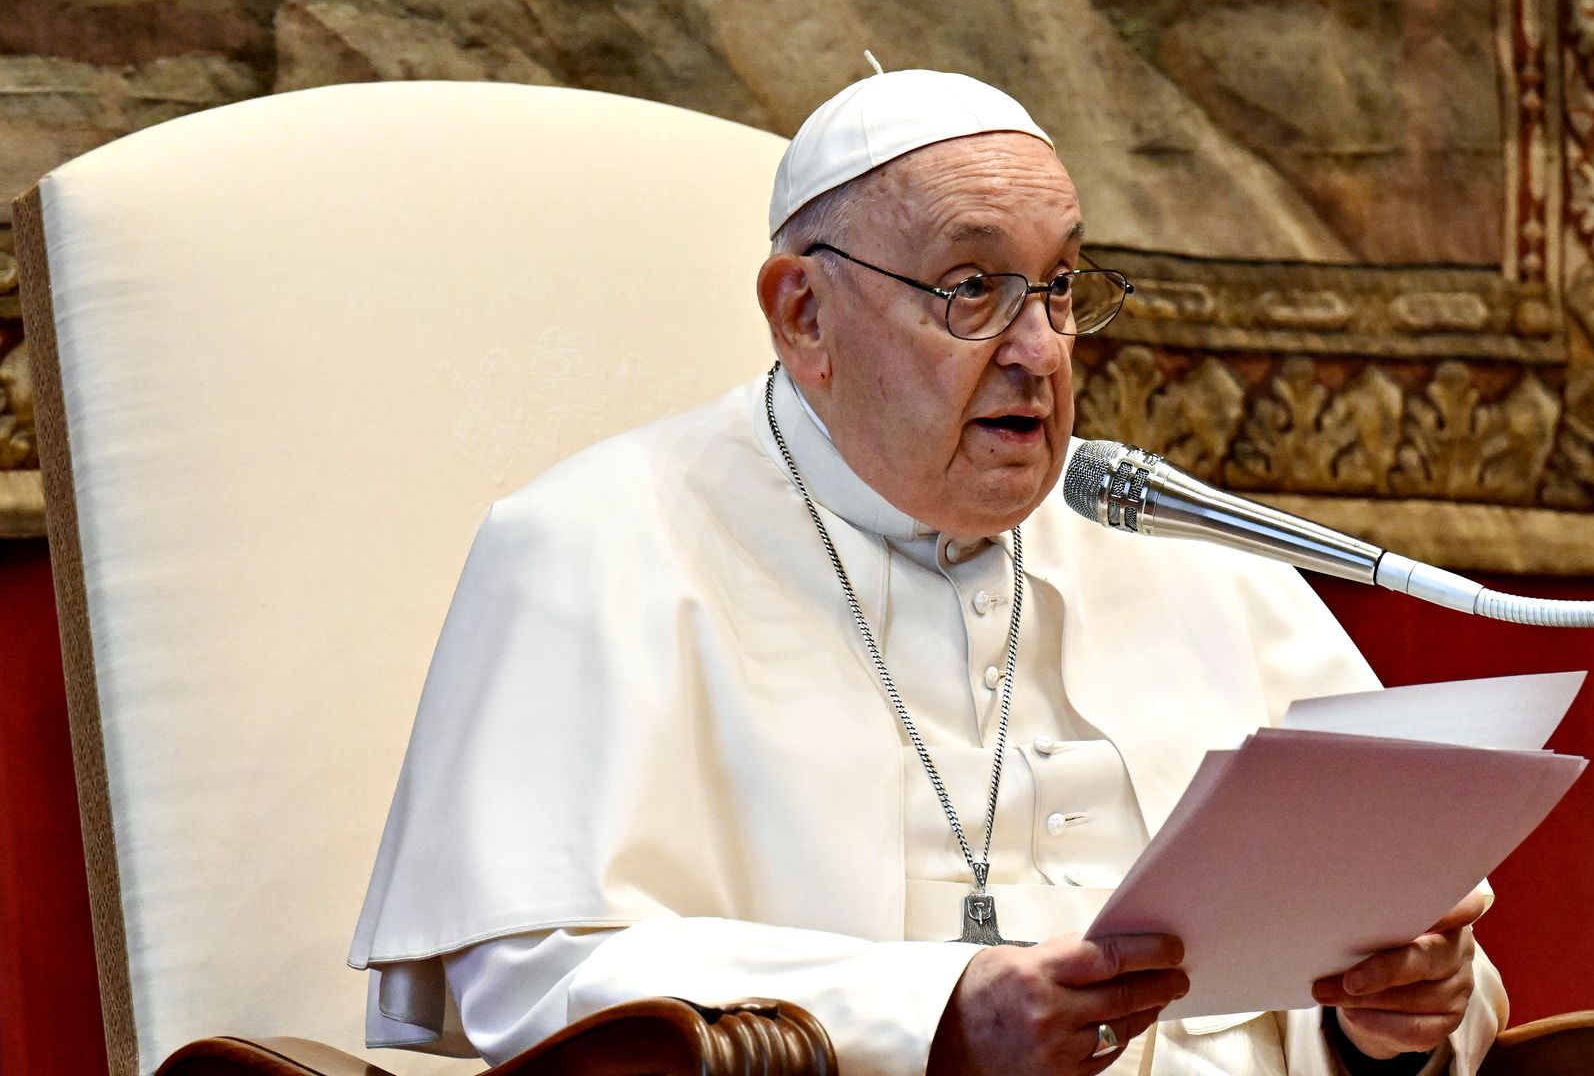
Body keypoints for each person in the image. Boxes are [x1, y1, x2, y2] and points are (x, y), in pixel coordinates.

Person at [349, 68, 1507, 1075]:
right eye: (971, 288)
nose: (1040, 350)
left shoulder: (1189, 552)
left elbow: (1430, 957)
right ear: (804, 314)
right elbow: (534, 974)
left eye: (1058, 288)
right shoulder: (592, 542)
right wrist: (935, 1022)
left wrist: (1386, 1025)